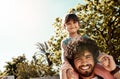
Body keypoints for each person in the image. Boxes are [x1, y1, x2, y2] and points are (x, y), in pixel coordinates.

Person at [59, 13, 115, 79]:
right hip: (74, 66)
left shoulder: (85, 38)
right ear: (64, 26)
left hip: (90, 64)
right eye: (69, 24)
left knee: (105, 72)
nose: (72, 25)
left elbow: (95, 51)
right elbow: (64, 56)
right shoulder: (65, 41)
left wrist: (103, 59)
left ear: (79, 25)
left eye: (74, 22)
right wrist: (66, 65)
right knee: (72, 76)